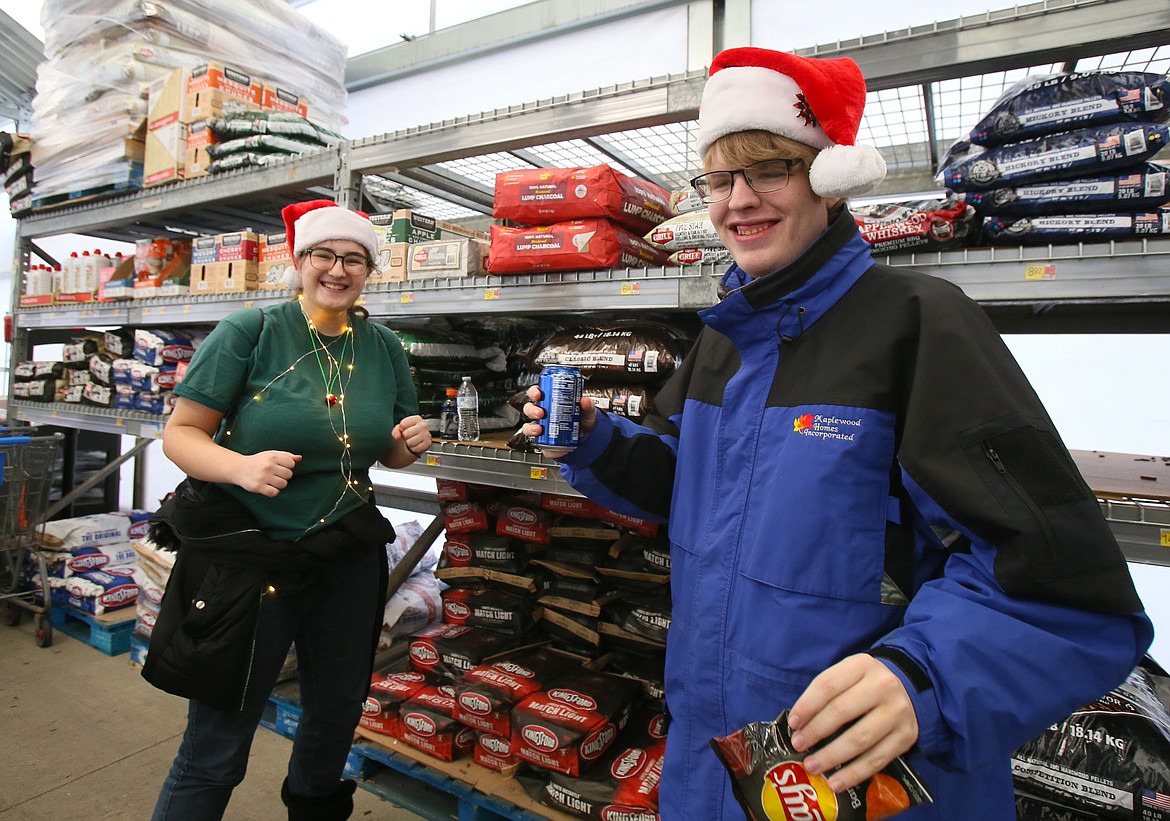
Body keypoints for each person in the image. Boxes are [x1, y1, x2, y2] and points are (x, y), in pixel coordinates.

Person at [523, 48, 1153, 819]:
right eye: (720, 181)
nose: (737, 202)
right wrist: (593, 440)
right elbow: (681, 485)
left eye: (769, 172)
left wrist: (923, 676)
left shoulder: (917, 324)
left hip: (870, 785)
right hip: (717, 765)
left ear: (826, 178)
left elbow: (1061, 591)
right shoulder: (725, 338)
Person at [145, 200, 430, 821]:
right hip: (253, 556)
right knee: (221, 735)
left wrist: (406, 447)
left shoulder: (381, 346)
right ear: (299, 262)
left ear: (369, 271)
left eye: (354, 259)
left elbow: (384, 451)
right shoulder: (251, 331)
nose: (338, 269)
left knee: (334, 715)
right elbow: (181, 434)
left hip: (345, 553)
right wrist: (240, 466)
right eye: (324, 255)